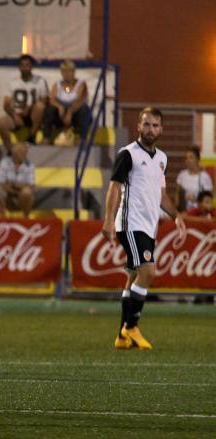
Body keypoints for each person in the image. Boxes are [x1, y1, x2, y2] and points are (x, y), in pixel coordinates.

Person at [102, 107, 186, 351]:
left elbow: (161, 195)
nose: (151, 129)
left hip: (148, 227)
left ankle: (121, 336)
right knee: (148, 272)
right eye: (147, 124)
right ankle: (132, 326)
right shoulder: (127, 154)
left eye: (156, 125)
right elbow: (114, 188)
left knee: (133, 275)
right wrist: (108, 220)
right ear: (139, 126)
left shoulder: (162, 159)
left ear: (161, 129)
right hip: (130, 223)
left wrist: (176, 215)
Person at [0, 54, 48, 153]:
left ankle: (32, 137)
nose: (25, 68)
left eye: (27, 65)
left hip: (33, 115)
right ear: (19, 67)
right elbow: (6, 104)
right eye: (22, 65)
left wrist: (29, 108)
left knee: (40, 107)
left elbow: (44, 100)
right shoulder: (13, 83)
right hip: (17, 114)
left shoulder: (40, 81)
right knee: (2, 123)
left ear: (31, 67)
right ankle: (10, 151)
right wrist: (15, 116)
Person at [41, 59, 90, 145]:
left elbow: (80, 100)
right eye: (64, 71)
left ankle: (83, 138)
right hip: (61, 114)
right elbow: (51, 99)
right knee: (49, 109)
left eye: (69, 71)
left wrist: (70, 112)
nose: (67, 74)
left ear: (73, 72)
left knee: (84, 110)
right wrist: (59, 106)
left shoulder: (81, 84)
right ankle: (46, 137)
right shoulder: (57, 85)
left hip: (75, 113)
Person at [0, 142, 35, 218]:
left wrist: (15, 187)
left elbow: (31, 184)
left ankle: (26, 217)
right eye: (21, 152)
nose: (24, 154)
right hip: (8, 192)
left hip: (20, 193)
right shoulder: (5, 162)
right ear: (15, 154)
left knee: (27, 192)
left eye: (25, 152)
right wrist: (12, 188)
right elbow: (0, 182)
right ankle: (3, 217)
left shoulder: (29, 165)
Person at [175, 145, 213, 211]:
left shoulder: (204, 177)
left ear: (198, 159)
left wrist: (196, 199)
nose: (188, 160)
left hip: (199, 213)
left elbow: (208, 201)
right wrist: (177, 209)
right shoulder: (182, 175)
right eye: (186, 158)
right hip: (184, 212)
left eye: (191, 158)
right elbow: (177, 194)